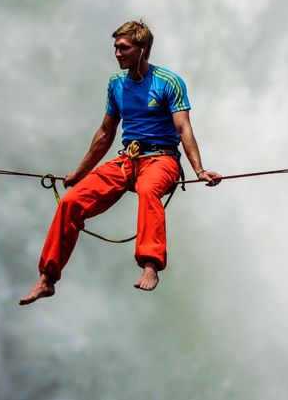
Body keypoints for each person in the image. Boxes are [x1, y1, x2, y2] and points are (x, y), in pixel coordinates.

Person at [19, 19, 221, 305]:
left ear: (143, 48)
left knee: (149, 190)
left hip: (162, 158)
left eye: (123, 48)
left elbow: (183, 128)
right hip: (128, 159)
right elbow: (105, 133)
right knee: (70, 203)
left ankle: (150, 265)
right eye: (115, 47)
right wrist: (80, 172)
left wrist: (198, 170)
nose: (117, 53)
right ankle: (46, 279)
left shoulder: (168, 82)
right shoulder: (116, 84)